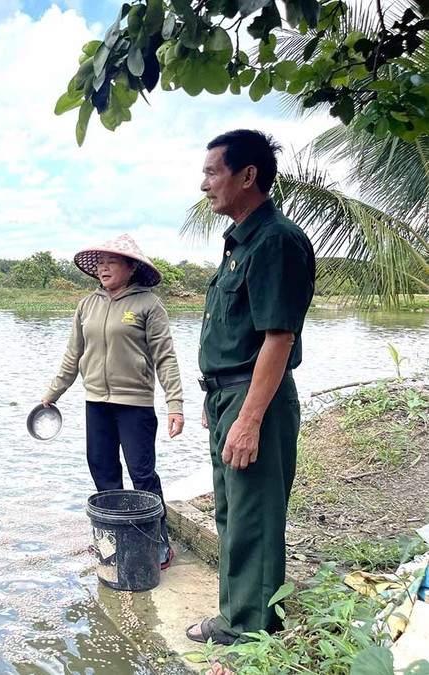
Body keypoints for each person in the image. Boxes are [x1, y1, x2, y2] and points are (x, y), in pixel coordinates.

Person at [186, 129, 315, 647]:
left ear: (247, 175)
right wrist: (214, 399)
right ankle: (239, 614)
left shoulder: (275, 241)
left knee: (254, 519)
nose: (204, 185)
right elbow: (235, 332)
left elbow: (278, 339)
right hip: (228, 396)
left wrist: (248, 417)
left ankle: (249, 633)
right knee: (231, 513)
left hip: (253, 398)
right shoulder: (241, 241)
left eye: (212, 172)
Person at [41, 234, 184, 569]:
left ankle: (157, 539)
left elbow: (166, 357)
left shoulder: (148, 304)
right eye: (100, 263)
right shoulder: (86, 305)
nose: (104, 268)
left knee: (142, 474)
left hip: (135, 404)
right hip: (97, 404)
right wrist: (52, 393)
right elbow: (73, 354)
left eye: (112, 262)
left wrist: (174, 404)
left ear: (131, 267)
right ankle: (117, 537)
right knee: (103, 471)